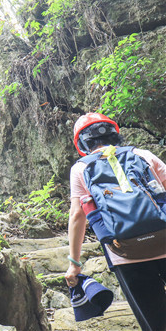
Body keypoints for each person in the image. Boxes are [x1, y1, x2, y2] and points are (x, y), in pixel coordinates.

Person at [65, 112, 166, 331]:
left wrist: (74, 264)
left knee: (155, 321)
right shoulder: (142, 154)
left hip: (125, 254)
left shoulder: (80, 169)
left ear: (82, 142)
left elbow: (77, 216)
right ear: (114, 134)